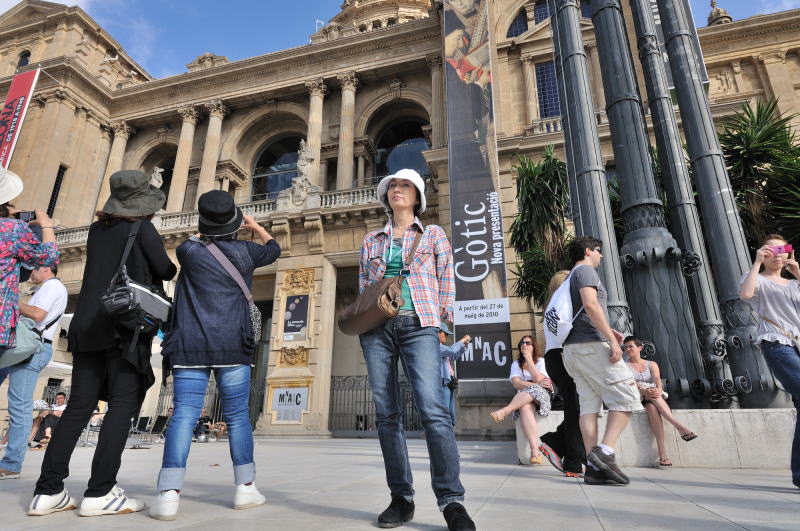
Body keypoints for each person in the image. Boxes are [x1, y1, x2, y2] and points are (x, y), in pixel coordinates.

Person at [29, 170, 177, 517]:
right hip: (123, 326)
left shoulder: (97, 230)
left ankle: (47, 491)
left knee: (78, 408)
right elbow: (166, 270)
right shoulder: (142, 229)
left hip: (87, 325)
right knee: (122, 406)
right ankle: (101, 491)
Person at [149, 190, 281, 521]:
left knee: (183, 415)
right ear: (236, 223)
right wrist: (256, 227)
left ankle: (168, 494)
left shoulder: (188, 250)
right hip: (232, 346)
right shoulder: (248, 252)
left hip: (189, 346)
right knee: (237, 417)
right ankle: (245, 488)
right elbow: (274, 249)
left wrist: (208, 230)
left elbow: (195, 238)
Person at [357, 168, 475, 530]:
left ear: (417, 196)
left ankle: (451, 501)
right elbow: (364, 286)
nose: (397, 189)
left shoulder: (433, 234)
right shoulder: (372, 240)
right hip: (377, 329)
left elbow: (447, 280)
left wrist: (442, 323)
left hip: (419, 322)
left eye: (405, 185)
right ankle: (401, 498)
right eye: (392, 185)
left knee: (433, 410)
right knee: (386, 414)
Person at [561, 236, 643, 486]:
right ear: (588, 251)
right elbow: (591, 304)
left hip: (572, 350)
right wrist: (611, 340)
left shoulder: (569, 277)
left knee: (588, 407)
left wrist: (609, 330)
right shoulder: (586, 271)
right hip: (591, 346)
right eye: (599, 251)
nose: (601, 256)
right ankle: (604, 453)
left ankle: (593, 469)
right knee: (627, 396)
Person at [0, 167, 60, 480]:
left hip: (19, 339)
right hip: (4, 330)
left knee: (19, 402)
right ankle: (11, 463)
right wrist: (45, 225)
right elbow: (48, 256)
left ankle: (11, 461)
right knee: (21, 403)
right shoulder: (11, 230)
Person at [739, 234, 800, 490]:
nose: (778, 254)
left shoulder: (794, 283)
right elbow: (745, 294)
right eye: (771, 250)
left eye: (783, 249)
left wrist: (798, 273)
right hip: (777, 343)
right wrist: (756, 263)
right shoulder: (758, 279)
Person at [540, 270, 586, 478]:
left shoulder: (550, 307)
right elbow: (566, 331)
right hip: (564, 355)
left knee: (576, 407)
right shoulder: (563, 303)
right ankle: (574, 461)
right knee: (577, 407)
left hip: (554, 357)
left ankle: (557, 443)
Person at [623, 336, 697, 467]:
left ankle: (663, 455)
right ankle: (680, 427)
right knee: (652, 395)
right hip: (636, 395)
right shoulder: (624, 366)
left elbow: (657, 380)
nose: (628, 349)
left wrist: (658, 389)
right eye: (626, 347)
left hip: (652, 397)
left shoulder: (651, 364)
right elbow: (631, 383)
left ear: (640, 348)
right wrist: (644, 390)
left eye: (631, 346)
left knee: (652, 408)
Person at [489, 336, 555, 466]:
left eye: (528, 343)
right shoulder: (516, 364)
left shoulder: (541, 361)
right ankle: (535, 452)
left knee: (534, 389)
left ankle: (505, 411)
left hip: (543, 398)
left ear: (534, 346)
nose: (524, 345)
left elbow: (540, 379)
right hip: (524, 399)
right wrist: (535, 384)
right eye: (522, 343)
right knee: (524, 408)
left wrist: (529, 359)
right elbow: (516, 383)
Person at [438, 323, 470, 427]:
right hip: (443, 383)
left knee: (451, 413)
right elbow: (452, 351)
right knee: (445, 412)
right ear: (438, 333)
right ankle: (445, 432)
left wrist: (463, 346)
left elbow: (454, 356)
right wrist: (462, 341)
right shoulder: (436, 347)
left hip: (448, 382)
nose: (447, 336)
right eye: (445, 334)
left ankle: (449, 431)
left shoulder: (443, 348)